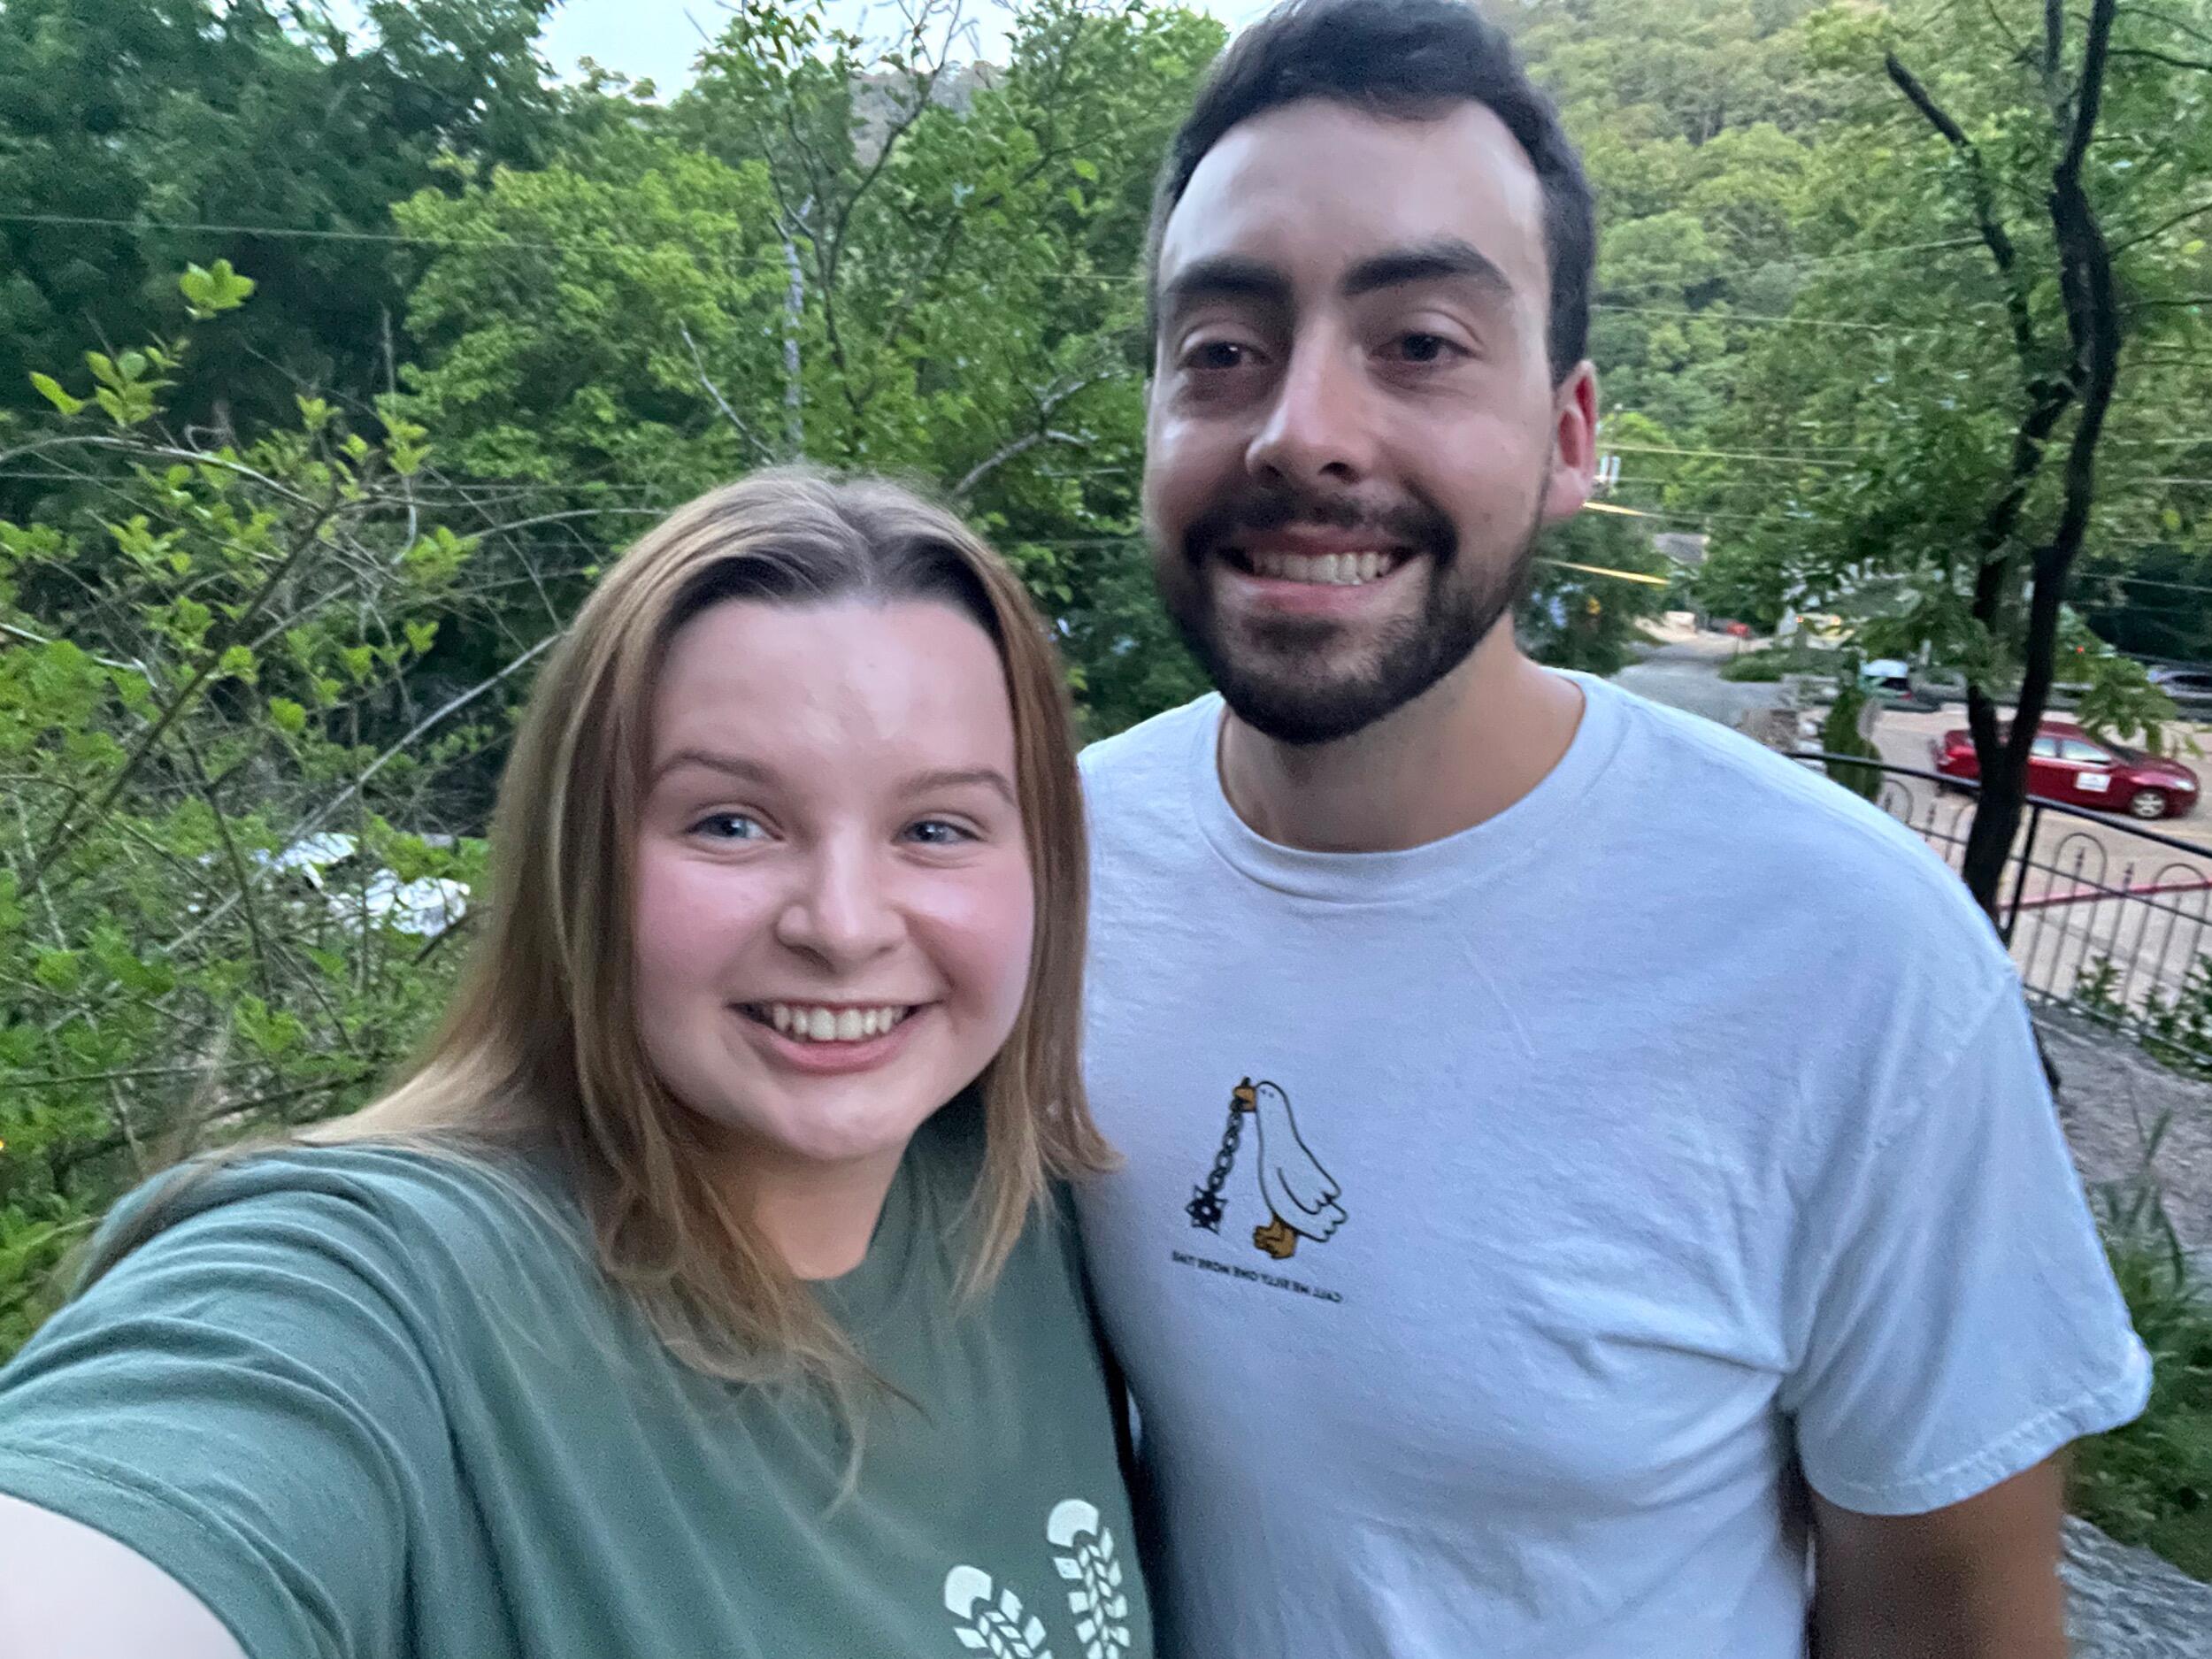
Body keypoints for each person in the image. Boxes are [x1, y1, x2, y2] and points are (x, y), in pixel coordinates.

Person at [1072, 3, 2149, 1655]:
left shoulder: (1850, 964)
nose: (1301, 429)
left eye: (1420, 341)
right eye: (1221, 348)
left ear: (1570, 438)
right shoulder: (1042, 880)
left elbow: (1954, 1634)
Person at [0, 469, 1150, 1658]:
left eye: (936, 829)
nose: (844, 923)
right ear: (582, 862)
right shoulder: (380, 1286)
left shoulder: (1037, 1223)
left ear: (1044, 873)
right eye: (731, 822)